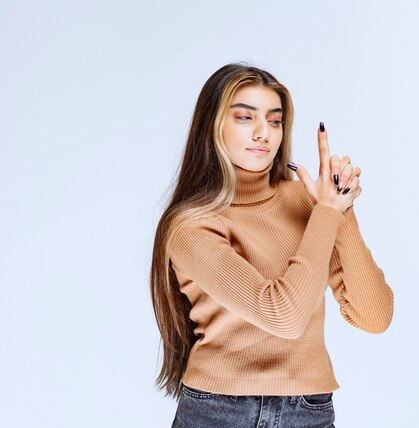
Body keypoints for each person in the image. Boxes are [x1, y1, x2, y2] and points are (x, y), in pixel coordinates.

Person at [149, 62, 394, 427]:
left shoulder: (309, 202)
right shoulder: (192, 226)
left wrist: (341, 206)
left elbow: (375, 317)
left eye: (275, 121)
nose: (264, 133)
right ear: (212, 126)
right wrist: (327, 210)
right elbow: (283, 316)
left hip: (308, 411)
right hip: (218, 413)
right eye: (245, 118)